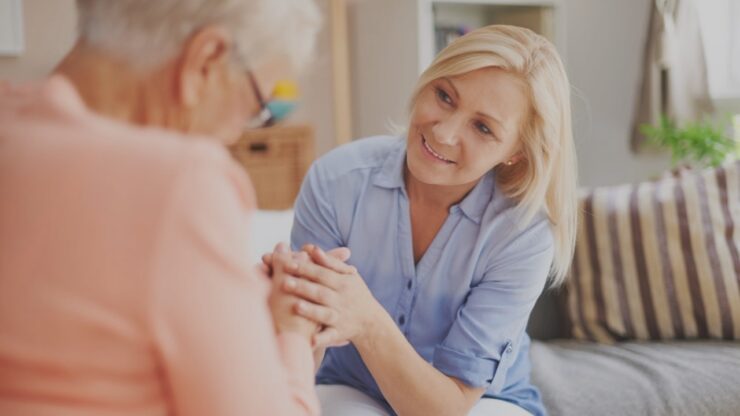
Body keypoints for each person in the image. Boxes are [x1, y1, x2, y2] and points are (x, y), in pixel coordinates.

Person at [0, 1, 326, 415]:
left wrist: (232, 297)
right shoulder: (182, 183)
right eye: (254, 106)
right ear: (206, 59)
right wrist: (292, 332)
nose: (231, 136)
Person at [269, 25, 578, 416]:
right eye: (445, 96)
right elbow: (301, 350)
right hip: (349, 387)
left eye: (483, 127)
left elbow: (446, 408)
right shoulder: (336, 181)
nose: (444, 133)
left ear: (516, 152)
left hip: (480, 404)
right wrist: (285, 310)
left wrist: (365, 319)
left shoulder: (521, 233)